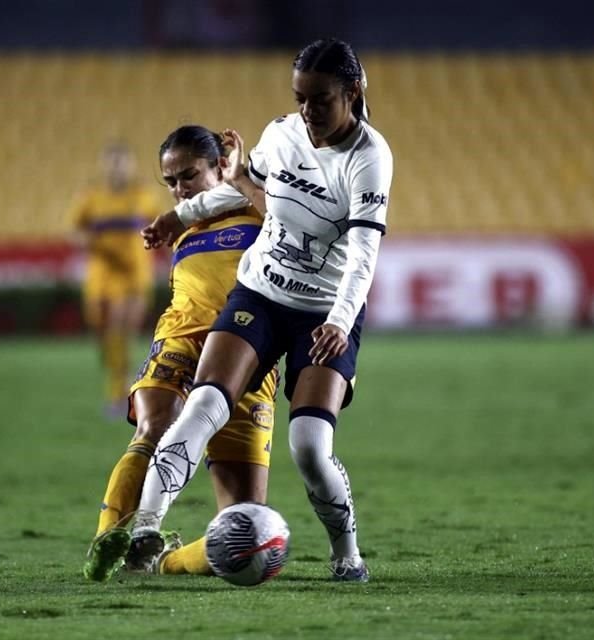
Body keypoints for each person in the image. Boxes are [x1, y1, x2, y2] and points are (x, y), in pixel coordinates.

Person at [128, 38, 393, 583]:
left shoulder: (369, 159)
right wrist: (183, 214)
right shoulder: (283, 133)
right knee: (202, 405)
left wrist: (340, 322)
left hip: (323, 313)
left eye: (320, 99)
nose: (308, 111)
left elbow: (364, 253)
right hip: (260, 295)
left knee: (309, 448)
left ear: (353, 93)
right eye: (300, 98)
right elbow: (241, 190)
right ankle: (144, 532)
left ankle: (347, 554)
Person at [82, 125, 279, 581]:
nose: (177, 190)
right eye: (169, 182)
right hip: (183, 337)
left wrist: (243, 177)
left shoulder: (259, 206)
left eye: (188, 175)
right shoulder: (183, 226)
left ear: (220, 165)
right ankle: (105, 543)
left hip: (251, 354)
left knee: (247, 529)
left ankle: (163, 561)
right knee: (153, 428)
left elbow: (266, 202)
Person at [68, 142, 162, 417]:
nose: (118, 168)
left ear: (131, 165)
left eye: (123, 162)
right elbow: (75, 231)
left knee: (123, 327)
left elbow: (161, 227)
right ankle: (120, 376)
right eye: (113, 162)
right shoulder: (91, 197)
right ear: (105, 165)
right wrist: (91, 242)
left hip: (134, 274)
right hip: (102, 274)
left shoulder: (143, 195)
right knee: (104, 332)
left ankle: (119, 393)